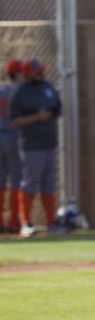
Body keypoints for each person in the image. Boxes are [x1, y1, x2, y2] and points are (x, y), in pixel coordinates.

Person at [8, 59, 63, 237]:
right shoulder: (21, 93)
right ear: (28, 74)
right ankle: (25, 222)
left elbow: (58, 108)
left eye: (41, 71)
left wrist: (51, 113)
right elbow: (14, 120)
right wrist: (36, 118)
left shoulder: (47, 87)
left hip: (50, 144)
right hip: (31, 145)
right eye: (38, 72)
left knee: (49, 185)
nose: (41, 74)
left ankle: (52, 222)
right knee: (30, 183)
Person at [0, 59, 24, 233]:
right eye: (22, 72)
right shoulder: (21, 90)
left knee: (1, 181)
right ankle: (14, 222)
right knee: (16, 179)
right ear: (17, 74)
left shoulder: (2, 90)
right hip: (14, 137)